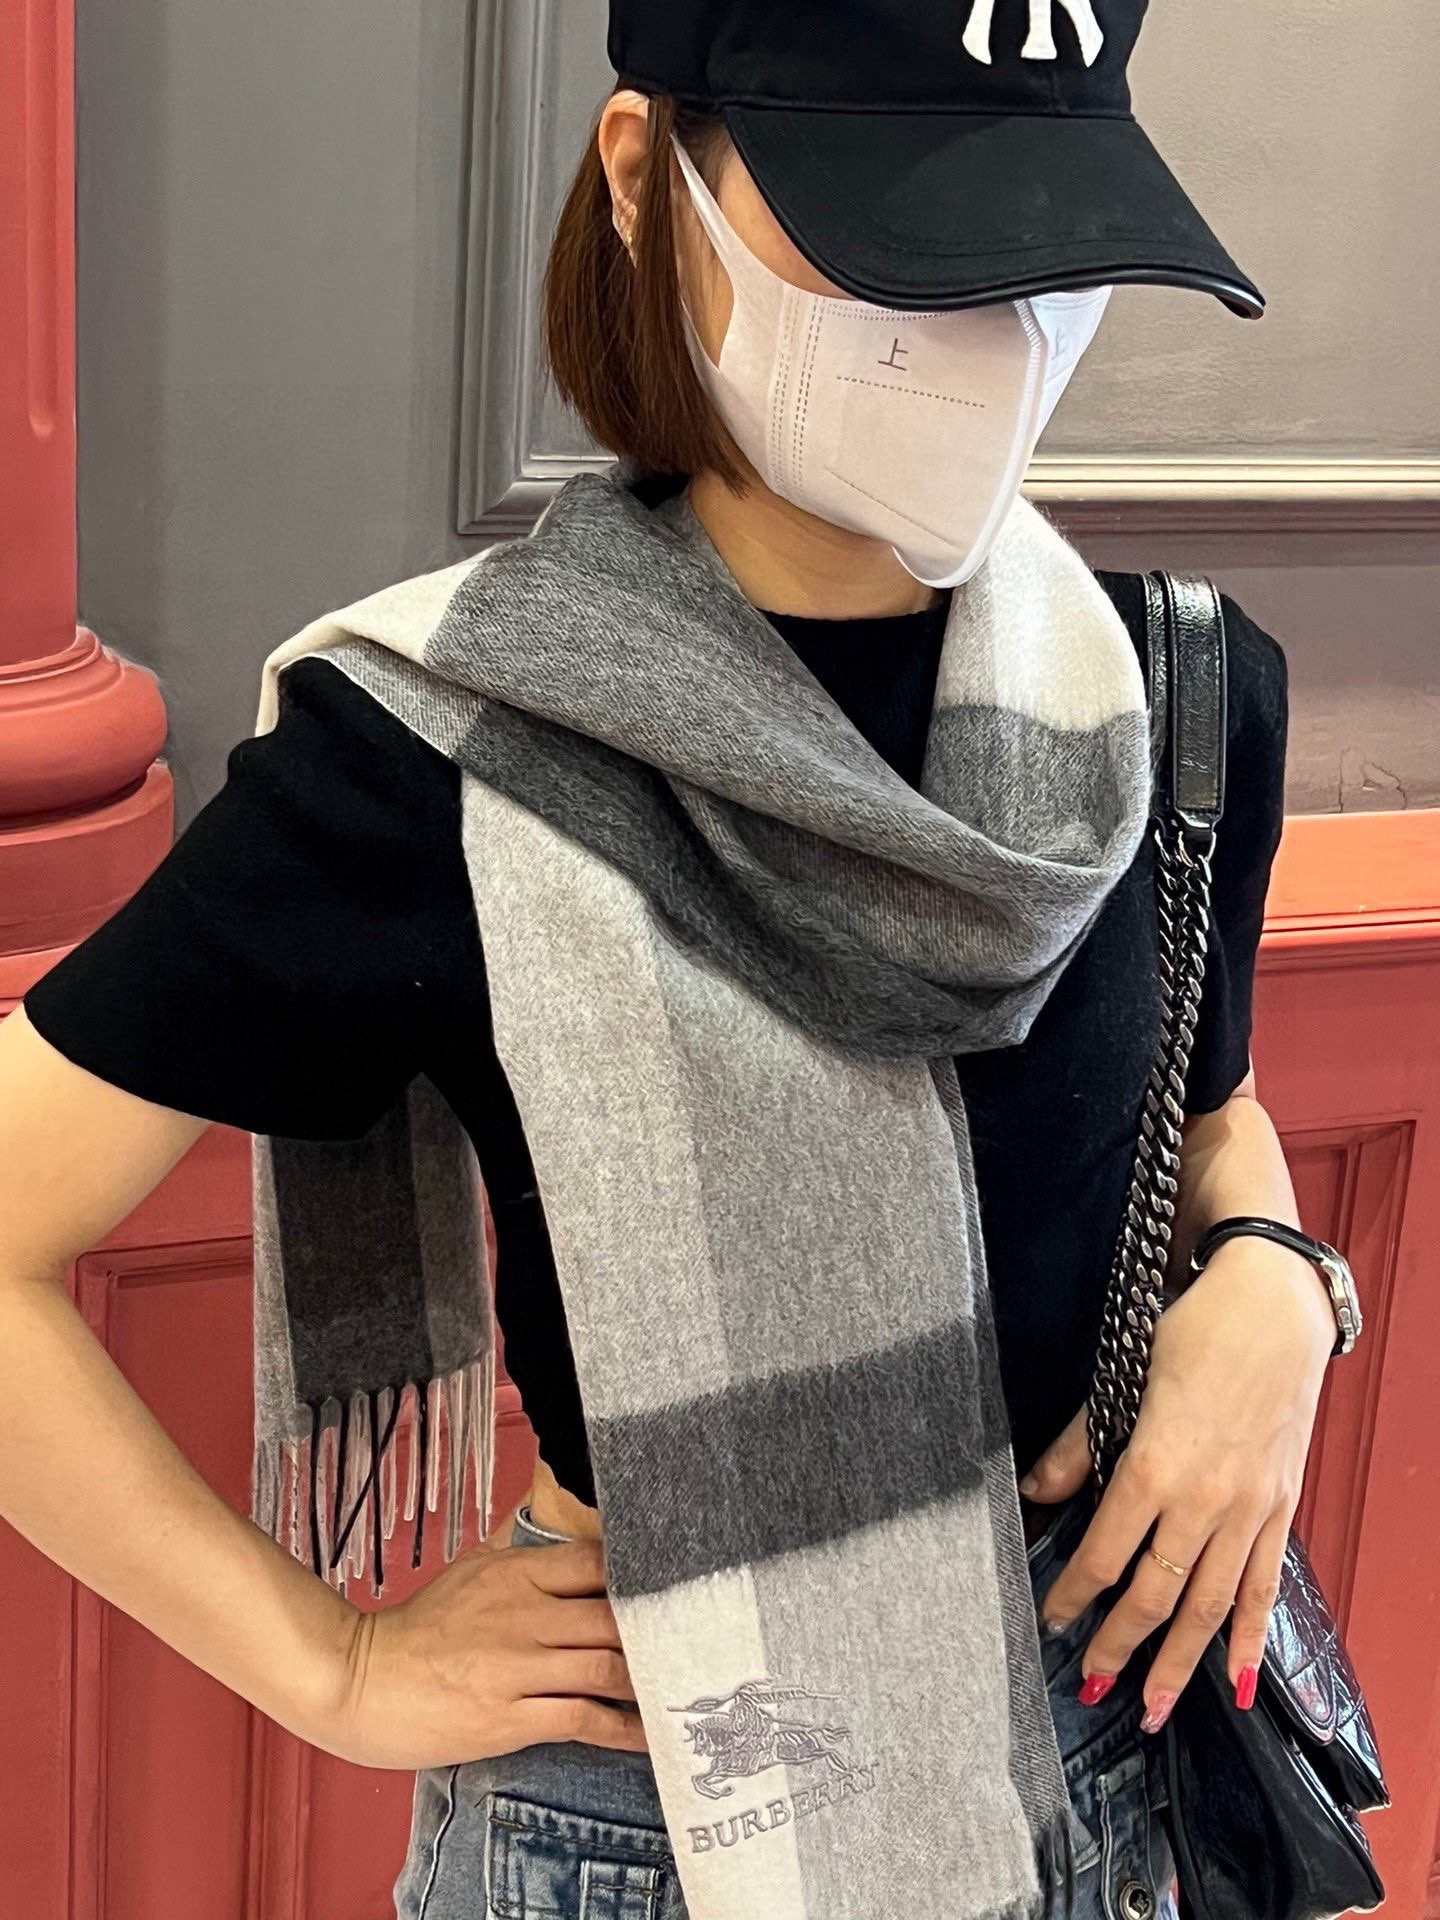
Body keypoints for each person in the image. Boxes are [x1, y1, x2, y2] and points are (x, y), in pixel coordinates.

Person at [0, 4, 1352, 1919]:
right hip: (660, 1806)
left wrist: (1281, 1289)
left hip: (1116, 1750)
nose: (989, 324)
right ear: (646, 177)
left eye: (1046, 245)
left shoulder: (1172, 699)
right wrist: (336, 1670)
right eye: (894, 233)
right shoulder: (441, 758)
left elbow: (1209, 1126)